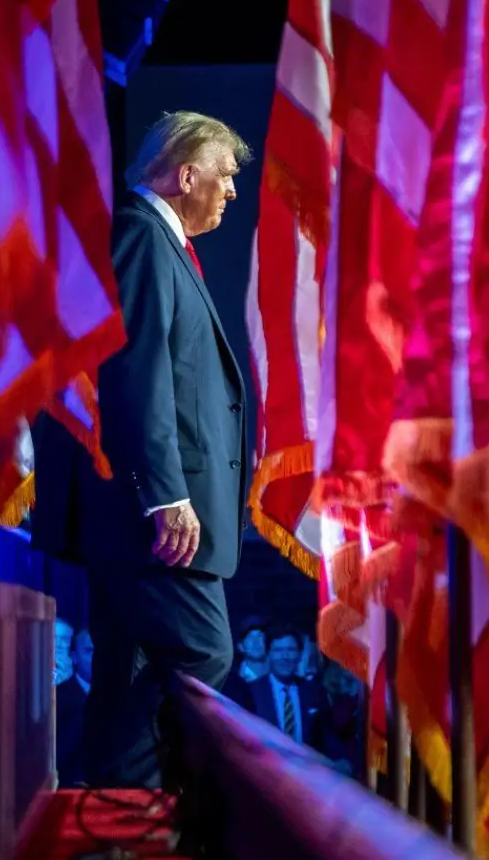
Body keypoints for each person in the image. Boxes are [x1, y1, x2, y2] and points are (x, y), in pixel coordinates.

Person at [33, 111, 252, 788]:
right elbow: (134, 372)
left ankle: (113, 820)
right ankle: (136, 810)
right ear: (187, 174)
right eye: (226, 176)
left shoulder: (163, 244)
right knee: (204, 654)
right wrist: (167, 494)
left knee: (127, 676)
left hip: (143, 522)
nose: (233, 192)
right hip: (153, 520)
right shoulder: (141, 235)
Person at [244, 628, 331, 758]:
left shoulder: (314, 691)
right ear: (268, 655)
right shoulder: (251, 693)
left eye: (291, 650)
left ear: (300, 654)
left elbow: (327, 736)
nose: (285, 657)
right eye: (278, 650)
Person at [54, 629, 93, 786]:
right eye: (89, 651)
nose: (96, 658)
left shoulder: (118, 696)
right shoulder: (58, 697)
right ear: (74, 657)